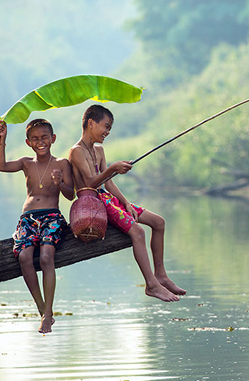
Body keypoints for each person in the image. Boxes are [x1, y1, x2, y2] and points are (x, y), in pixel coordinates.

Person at [68, 104, 186, 302]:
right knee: (138, 232)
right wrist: (112, 168)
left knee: (158, 222)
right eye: (106, 127)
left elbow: (108, 182)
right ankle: (151, 285)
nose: (107, 132)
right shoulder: (76, 151)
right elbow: (89, 182)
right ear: (90, 123)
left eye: (110, 129)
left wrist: (126, 202)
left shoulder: (99, 150)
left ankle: (161, 275)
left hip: (109, 199)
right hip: (94, 203)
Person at [0, 118, 75, 333]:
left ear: (53, 138)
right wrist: (3, 139)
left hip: (52, 217)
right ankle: (42, 310)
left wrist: (60, 183)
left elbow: (70, 194)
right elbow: (1, 166)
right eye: (35, 139)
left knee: (47, 257)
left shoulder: (62, 164)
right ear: (29, 142)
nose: (41, 142)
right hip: (28, 218)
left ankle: (48, 313)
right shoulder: (26, 163)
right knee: (24, 257)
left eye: (45, 137)